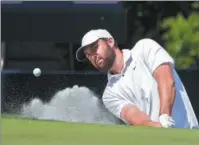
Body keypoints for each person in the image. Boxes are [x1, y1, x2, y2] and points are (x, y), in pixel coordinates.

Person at [76, 29, 199, 129]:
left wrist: (165, 117)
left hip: (188, 135)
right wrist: (158, 128)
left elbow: (166, 81)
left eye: (95, 47)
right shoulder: (109, 95)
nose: (92, 56)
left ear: (110, 41)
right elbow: (134, 116)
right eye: (88, 55)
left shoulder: (144, 47)